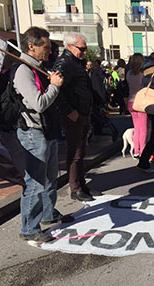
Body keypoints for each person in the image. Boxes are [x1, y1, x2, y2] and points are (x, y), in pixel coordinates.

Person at [14, 27, 73, 242]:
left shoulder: (37, 67)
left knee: (50, 178)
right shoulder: (23, 71)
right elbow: (38, 103)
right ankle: (29, 228)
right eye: (46, 47)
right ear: (31, 46)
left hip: (47, 130)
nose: (49, 52)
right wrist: (54, 87)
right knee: (35, 182)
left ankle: (48, 213)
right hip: (33, 132)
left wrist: (52, 82)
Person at [53, 32, 102, 202]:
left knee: (81, 151)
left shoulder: (76, 62)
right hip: (74, 114)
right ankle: (75, 188)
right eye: (81, 48)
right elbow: (57, 91)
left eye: (85, 48)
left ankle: (81, 184)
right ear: (70, 47)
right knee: (75, 152)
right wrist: (69, 111)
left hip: (83, 112)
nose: (84, 51)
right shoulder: (64, 63)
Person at [127, 53, 147, 157]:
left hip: (131, 101)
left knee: (137, 128)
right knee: (143, 129)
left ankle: (136, 151)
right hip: (141, 102)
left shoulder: (129, 73)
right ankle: (143, 151)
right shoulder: (142, 74)